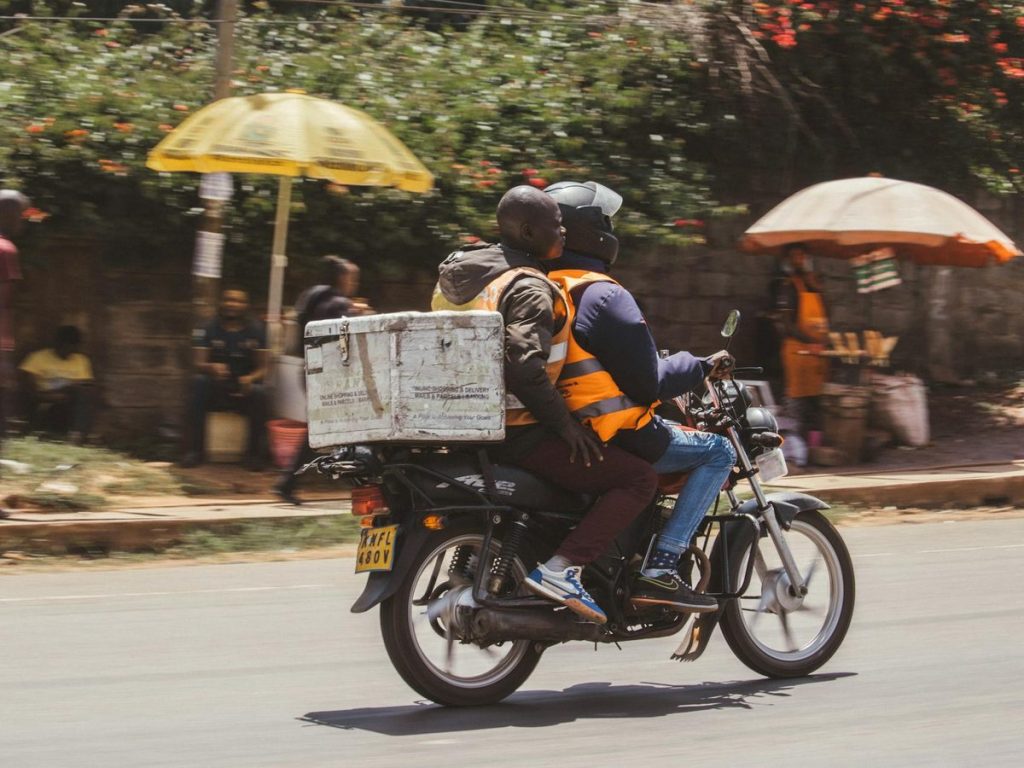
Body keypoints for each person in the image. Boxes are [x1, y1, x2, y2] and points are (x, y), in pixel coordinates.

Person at [432, 185, 658, 625]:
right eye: (556, 225)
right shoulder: (530, 285)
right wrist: (565, 425)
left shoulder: (462, 277)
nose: (563, 232)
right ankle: (563, 571)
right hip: (520, 429)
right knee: (638, 478)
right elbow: (522, 363)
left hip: (465, 424)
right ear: (527, 230)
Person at [544, 180, 736, 613]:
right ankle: (662, 568)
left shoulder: (542, 288)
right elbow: (650, 382)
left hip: (564, 428)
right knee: (717, 452)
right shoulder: (603, 295)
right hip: (616, 432)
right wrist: (700, 364)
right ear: (594, 232)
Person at [273, 256, 372, 505]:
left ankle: (290, 482)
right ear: (342, 278)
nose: (354, 283)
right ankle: (289, 482)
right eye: (352, 278)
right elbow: (345, 340)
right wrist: (360, 316)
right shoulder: (338, 304)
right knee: (337, 428)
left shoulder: (313, 296)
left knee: (327, 429)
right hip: (330, 376)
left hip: (309, 369)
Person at [183, 289, 269, 470]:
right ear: (221, 303)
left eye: (238, 301)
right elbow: (198, 362)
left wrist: (250, 378)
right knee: (199, 382)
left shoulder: (257, 330)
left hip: (243, 387)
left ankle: (254, 455)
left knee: (261, 393)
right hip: (216, 387)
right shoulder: (207, 328)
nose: (232, 304)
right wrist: (211, 367)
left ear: (245, 306)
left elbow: (264, 368)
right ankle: (194, 451)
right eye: (228, 300)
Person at [771, 243, 830, 440]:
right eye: (794, 256)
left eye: (801, 256)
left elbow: (825, 317)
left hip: (817, 352)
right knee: (796, 401)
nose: (799, 260)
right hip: (797, 351)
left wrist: (822, 341)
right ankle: (795, 446)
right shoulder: (788, 287)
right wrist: (808, 341)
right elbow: (787, 324)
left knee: (816, 401)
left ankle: (813, 445)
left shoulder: (817, 286)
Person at [17, 325, 96, 443]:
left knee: (85, 393)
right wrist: (51, 396)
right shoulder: (37, 358)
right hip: (45, 403)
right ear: (57, 344)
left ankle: (78, 434)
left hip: (69, 404)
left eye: (72, 348)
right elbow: (28, 390)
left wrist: (69, 390)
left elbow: (86, 386)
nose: (68, 351)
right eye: (65, 347)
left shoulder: (81, 360)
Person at [0, 190, 29, 445]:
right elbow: (6, 297)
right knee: (5, 384)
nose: (21, 221)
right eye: (19, 215)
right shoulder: (6, 249)